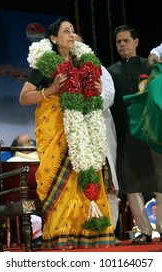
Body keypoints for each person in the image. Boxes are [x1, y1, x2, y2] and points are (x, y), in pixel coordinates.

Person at [19, 17, 115, 249]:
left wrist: (94, 90)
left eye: (73, 31)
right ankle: (62, 236)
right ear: (53, 38)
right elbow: (23, 98)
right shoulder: (45, 65)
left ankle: (89, 234)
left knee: (86, 178)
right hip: (57, 136)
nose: (72, 35)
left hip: (84, 134)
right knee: (61, 184)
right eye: (66, 31)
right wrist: (50, 90)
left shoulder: (85, 66)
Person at [107, 25, 162, 244]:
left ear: (136, 42)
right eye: (118, 42)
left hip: (152, 133)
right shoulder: (110, 72)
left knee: (160, 181)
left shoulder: (150, 66)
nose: (122, 45)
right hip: (126, 134)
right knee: (130, 184)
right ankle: (144, 230)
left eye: (126, 41)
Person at [74, 33, 120, 244]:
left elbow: (108, 96)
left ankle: (109, 232)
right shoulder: (64, 71)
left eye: (76, 41)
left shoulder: (98, 69)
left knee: (107, 181)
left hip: (99, 127)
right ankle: (84, 234)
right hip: (75, 133)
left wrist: (87, 104)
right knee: (81, 182)